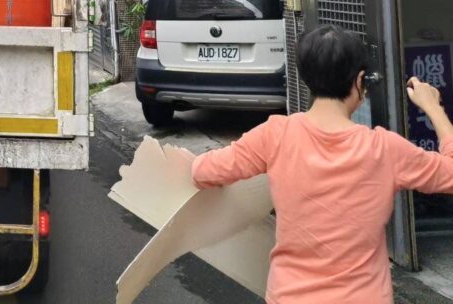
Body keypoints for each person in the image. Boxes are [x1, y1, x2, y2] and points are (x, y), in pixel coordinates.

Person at [192, 25, 453, 303]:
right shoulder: (385, 148)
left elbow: (201, 171)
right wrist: (434, 108)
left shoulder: (275, 135)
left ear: (307, 80)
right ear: (360, 82)